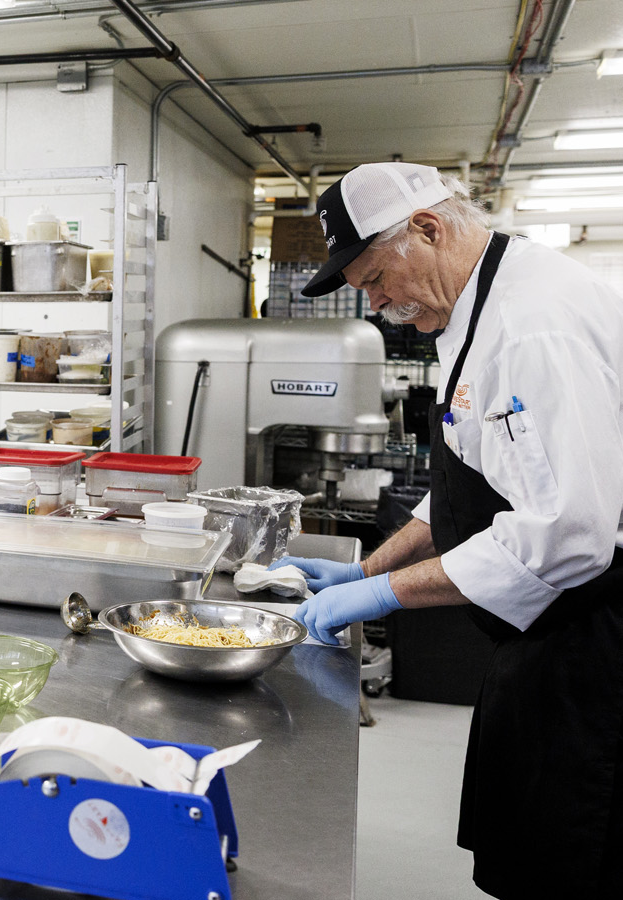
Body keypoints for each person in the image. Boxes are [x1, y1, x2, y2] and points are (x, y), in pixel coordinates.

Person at [273, 162, 623, 897]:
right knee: (521, 841)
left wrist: (386, 597)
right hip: (540, 641)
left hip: (595, 644)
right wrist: (368, 571)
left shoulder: (533, 327)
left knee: (569, 858)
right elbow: (474, 479)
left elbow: (566, 533)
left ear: (427, 229)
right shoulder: (475, 308)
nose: (377, 304)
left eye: (373, 278)